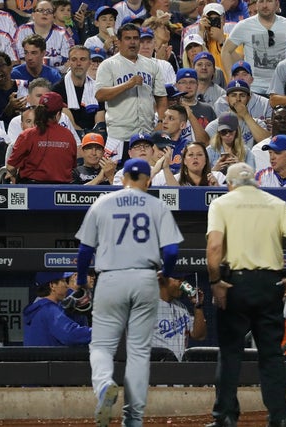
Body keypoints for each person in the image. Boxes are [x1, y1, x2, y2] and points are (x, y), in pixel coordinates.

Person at [75, 157, 184, 427]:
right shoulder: (157, 205)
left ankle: (103, 387)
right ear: (148, 181)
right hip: (145, 278)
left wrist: (80, 280)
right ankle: (132, 419)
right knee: (138, 352)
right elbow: (171, 251)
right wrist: (166, 274)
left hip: (110, 278)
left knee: (101, 346)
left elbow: (84, 250)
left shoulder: (102, 202)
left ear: (123, 178)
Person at [205, 161, 286, 427]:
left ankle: (226, 416)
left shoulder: (222, 203)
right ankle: (279, 417)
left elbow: (215, 245)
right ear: (256, 182)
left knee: (230, 353)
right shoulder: (275, 203)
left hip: (235, 285)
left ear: (229, 184)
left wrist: (215, 281)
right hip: (269, 285)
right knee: (271, 354)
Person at [95, 23, 167, 165]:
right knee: (115, 177)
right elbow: (100, 95)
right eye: (128, 38)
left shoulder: (152, 65)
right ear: (119, 42)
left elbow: (161, 97)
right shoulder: (108, 65)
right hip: (119, 135)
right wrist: (128, 84)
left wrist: (160, 121)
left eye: (135, 38)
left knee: (147, 176)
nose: (132, 42)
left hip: (146, 134)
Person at [221, 0, 286, 94]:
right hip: (253, 89)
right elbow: (226, 51)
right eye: (261, 1)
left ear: (277, 4)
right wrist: (231, 80)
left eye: (269, 1)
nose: (265, 5)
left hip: (282, 89)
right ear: (256, 5)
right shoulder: (244, 26)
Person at [6, 91, 77, 183]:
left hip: (31, 189)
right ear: (58, 114)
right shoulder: (68, 135)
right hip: (61, 191)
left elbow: (11, 167)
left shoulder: (28, 134)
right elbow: (72, 165)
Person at [22, 272, 92, 346]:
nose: (67, 285)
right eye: (64, 281)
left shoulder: (39, 308)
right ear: (52, 285)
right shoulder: (49, 310)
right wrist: (100, 332)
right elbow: (71, 335)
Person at [152, 272, 207, 362]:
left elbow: (199, 335)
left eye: (183, 279)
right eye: (178, 279)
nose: (183, 284)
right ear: (162, 280)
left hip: (178, 368)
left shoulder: (181, 308)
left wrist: (198, 306)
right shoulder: (147, 308)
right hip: (156, 367)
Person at [52, 45, 105, 134]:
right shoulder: (58, 89)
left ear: (89, 62)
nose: (78, 63)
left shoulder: (97, 88)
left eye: (83, 59)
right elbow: (69, 123)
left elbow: (100, 122)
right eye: (74, 59)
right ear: (68, 62)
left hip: (93, 136)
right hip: (69, 134)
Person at [206, 80, 271, 148]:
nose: (238, 99)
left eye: (242, 95)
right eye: (233, 95)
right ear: (227, 99)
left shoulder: (258, 123)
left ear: (248, 99)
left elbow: (266, 144)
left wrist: (246, 116)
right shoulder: (214, 126)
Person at [13, 0, 73, 72]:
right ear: (33, 15)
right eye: (40, 10)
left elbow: (69, 61)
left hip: (57, 76)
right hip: (27, 75)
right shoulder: (22, 31)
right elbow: (17, 59)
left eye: (49, 11)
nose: (45, 13)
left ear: (53, 16)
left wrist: (52, 74)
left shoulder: (63, 33)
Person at [152, 140, 226, 186]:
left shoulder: (218, 177)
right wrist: (165, 168)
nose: (195, 157)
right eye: (190, 155)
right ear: (184, 161)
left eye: (199, 154)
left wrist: (217, 189)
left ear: (206, 160)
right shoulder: (175, 180)